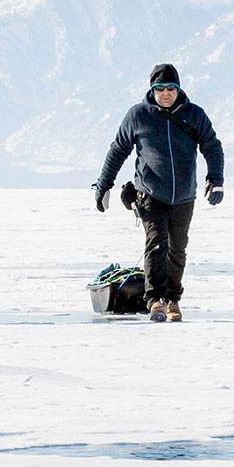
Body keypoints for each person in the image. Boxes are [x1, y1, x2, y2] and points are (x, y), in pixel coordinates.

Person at [92, 63, 226, 322]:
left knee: (177, 248)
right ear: (152, 90)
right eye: (160, 88)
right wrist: (103, 185)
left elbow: (212, 146)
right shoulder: (138, 115)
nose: (165, 93)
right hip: (150, 193)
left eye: (171, 88)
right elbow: (118, 150)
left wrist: (216, 179)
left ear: (178, 89)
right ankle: (155, 301)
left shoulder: (194, 114)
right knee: (155, 244)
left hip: (184, 194)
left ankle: (173, 299)